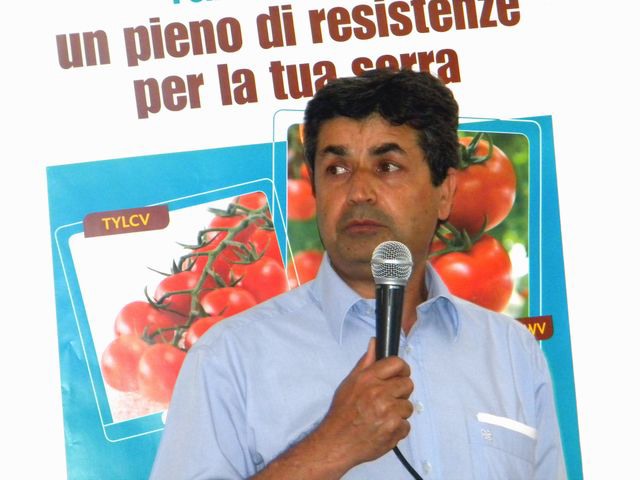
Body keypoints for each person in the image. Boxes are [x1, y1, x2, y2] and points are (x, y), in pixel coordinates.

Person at [150, 69, 567, 479]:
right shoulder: (228, 357)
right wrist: (330, 447)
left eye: (387, 166)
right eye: (337, 169)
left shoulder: (512, 351)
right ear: (315, 189)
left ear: (445, 193)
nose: (359, 192)